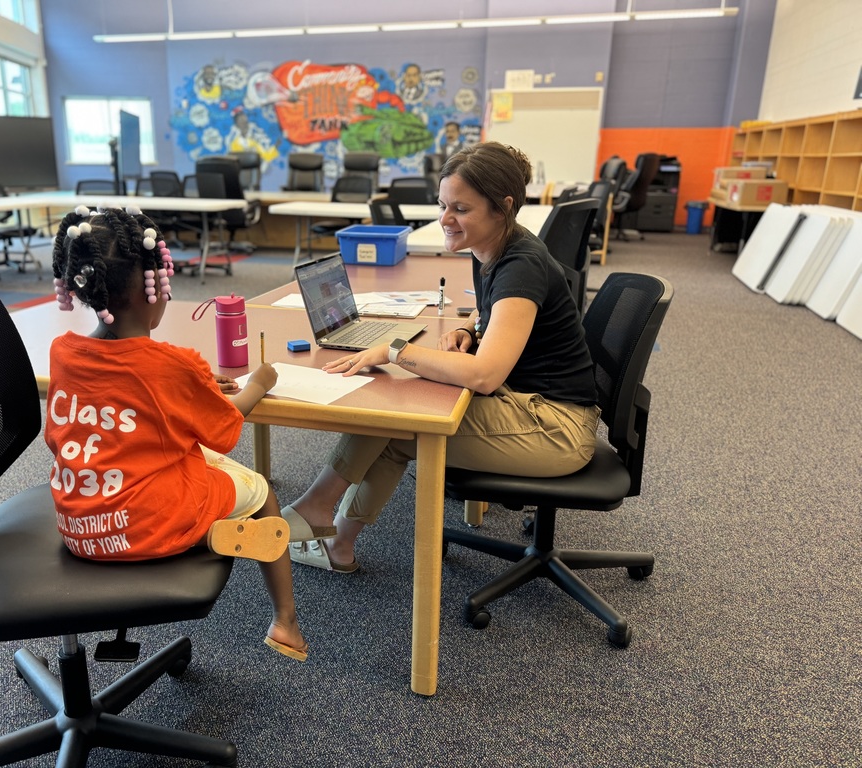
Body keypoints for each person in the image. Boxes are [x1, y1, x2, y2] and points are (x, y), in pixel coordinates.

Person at [284, 141, 601, 572]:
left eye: (461, 209)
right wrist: (467, 329)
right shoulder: (493, 245)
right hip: (530, 402)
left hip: (556, 429)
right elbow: (492, 310)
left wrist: (395, 351)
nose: (445, 219)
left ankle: (323, 519)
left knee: (398, 422)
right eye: (442, 205)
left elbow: (486, 375)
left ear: (503, 208)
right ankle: (329, 528)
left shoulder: (521, 263)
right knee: (394, 415)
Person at [44, 204, 318, 661]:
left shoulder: (62, 351)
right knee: (263, 491)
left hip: (79, 528)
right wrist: (258, 384)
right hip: (149, 523)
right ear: (152, 289)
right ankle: (285, 622)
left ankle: (208, 532)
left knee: (173, 451)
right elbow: (224, 429)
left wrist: (195, 386)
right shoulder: (172, 364)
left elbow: (127, 391)